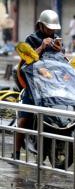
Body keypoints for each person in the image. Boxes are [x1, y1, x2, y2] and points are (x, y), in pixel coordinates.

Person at [14, 9, 62, 160]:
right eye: (49, 28)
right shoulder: (31, 39)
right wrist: (41, 46)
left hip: (51, 84)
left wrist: (60, 50)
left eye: (54, 29)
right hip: (33, 83)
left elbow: (61, 62)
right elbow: (26, 58)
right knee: (25, 116)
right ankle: (15, 152)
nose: (51, 31)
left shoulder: (56, 39)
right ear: (41, 26)